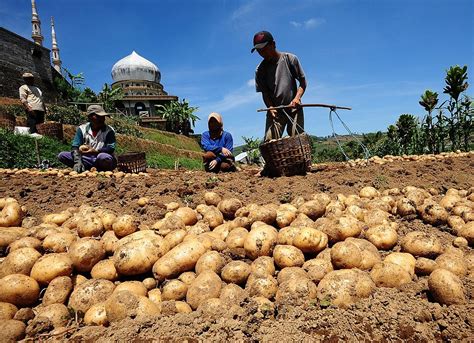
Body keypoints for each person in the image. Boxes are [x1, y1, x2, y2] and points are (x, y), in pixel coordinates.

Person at [252, 31, 307, 141]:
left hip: (293, 108)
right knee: (270, 141)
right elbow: (265, 93)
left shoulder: (290, 59)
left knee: (297, 140)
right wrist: (271, 108)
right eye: (259, 51)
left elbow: (303, 82)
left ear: (273, 44)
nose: (262, 53)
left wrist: (297, 98)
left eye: (264, 49)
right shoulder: (260, 70)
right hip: (275, 111)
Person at [58, 105, 117, 172]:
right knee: (62, 155)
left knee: (103, 157)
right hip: (86, 159)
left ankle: (100, 169)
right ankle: (83, 166)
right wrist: (77, 161)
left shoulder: (109, 131)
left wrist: (95, 151)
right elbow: (75, 147)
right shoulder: (82, 129)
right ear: (90, 117)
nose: (102, 119)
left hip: (101, 159)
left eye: (103, 117)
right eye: (98, 116)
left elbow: (110, 148)